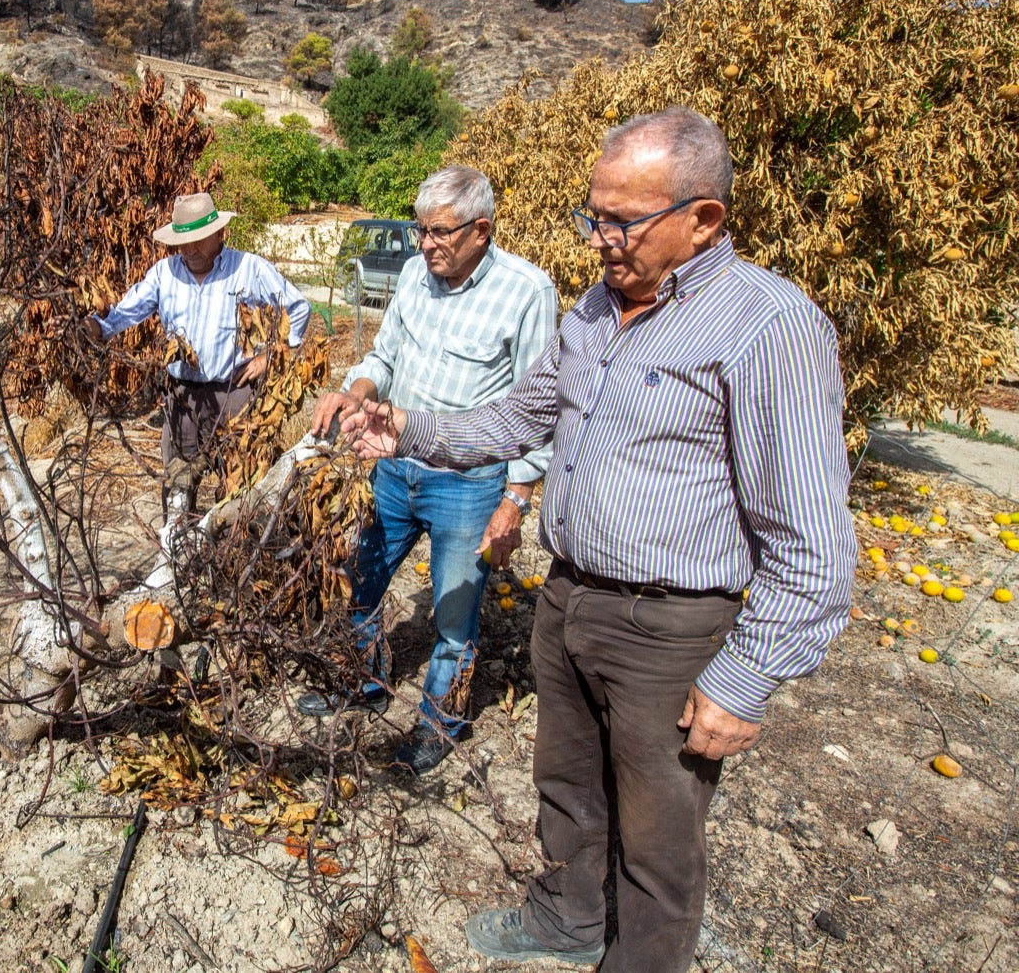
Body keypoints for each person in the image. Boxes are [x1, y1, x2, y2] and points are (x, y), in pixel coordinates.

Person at [342, 108, 856, 970]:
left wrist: (748, 674)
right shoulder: (593, 311)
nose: (599, 240)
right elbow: (520, 415)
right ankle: (567, 920)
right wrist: (410, 432)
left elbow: (811, 537)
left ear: (703, 219)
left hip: (670, 627)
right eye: (594, 215)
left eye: (623, 220)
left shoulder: (765, 325)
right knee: (568, 789)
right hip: (572, 595)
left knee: (658, 832)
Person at [301, 166, 556, 775]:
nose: (424, 244)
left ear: (481, 230)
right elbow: (383, 355)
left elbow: (536, 409)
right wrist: (354, 393)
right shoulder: (416, 274)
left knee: (453, 616)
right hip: (394, 469)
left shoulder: (527, 293)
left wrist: (514, 500)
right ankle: (362, 682)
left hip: (467, 487)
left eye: (438, 232)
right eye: (420, 230)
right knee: (358, 578)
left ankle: (440, 725)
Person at [84, 191, 311, 519]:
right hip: (183, 401)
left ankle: (230, 561)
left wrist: (274, 355)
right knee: (178, 491)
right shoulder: (164, 273)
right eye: (182, 241)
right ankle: (180, 558)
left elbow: (298, 306)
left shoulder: (248, 268)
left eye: (198, 240)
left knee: (242, 490)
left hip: (235, 395)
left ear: (220, 233)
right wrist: (95, 327)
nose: (189, 249)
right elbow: (123, 313)